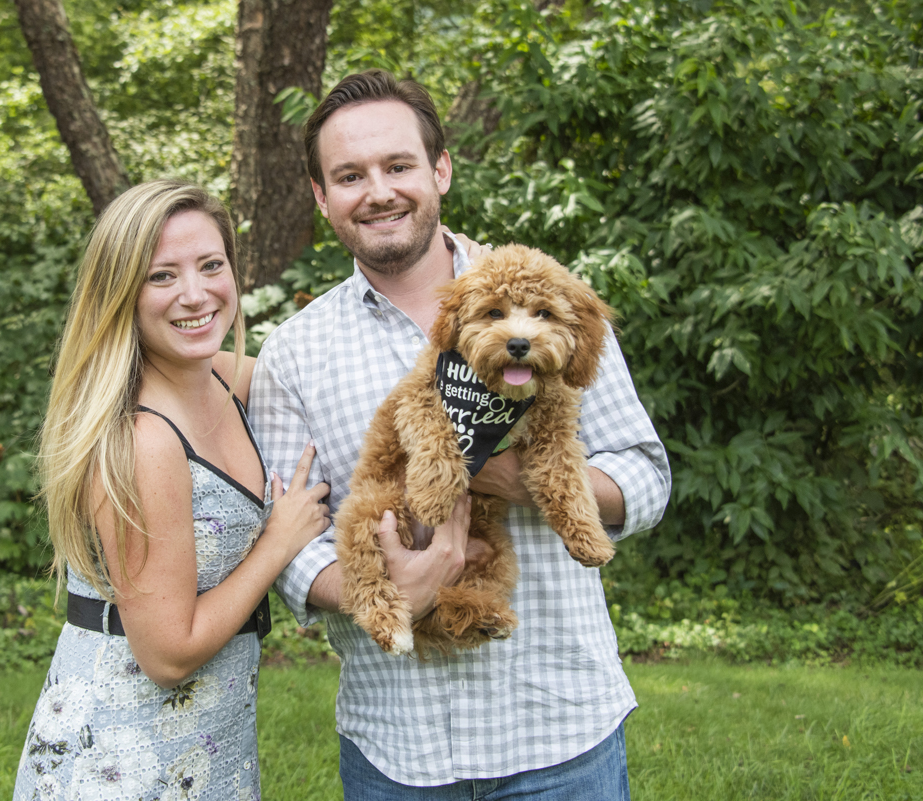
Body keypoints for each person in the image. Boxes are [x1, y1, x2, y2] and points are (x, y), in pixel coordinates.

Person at [248, 70, 672, 799]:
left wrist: (516, 477)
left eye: (398, 165)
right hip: (396, 747)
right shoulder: (295, 352)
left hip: (560, 731)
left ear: (439, 170)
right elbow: (287, 542)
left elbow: (645, 476)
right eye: (350, 174)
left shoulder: (549, 303)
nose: (378, 190)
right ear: (322, 196)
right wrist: (373, 590)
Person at [14, 180, 330, 801]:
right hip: (121, 757)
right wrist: (278, 541)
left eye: (211, 266)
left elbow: (341, 396)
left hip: (207, 742)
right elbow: (167, 655)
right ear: (122, 295)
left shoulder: (229, 381)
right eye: (162, 276)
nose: (196, 293)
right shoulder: (142, 438)